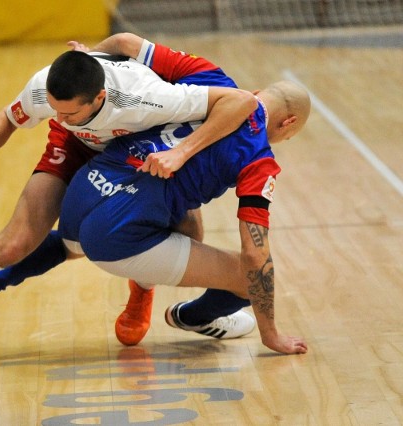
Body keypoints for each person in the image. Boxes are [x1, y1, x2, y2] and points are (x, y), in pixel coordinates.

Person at [0, 35, 257, 368]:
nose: (57, 117)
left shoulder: (148, 96)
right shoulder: (49, 89)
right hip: (78, 149)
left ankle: (142, 294)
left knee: (185, 226)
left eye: (69, 112)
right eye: (54, 110)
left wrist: (182, 153)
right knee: (14, 242)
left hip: (134, 150)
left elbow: (240, 101)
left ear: (100, 98)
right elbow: (10, 117)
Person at [58, 79, 311, 354]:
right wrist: (271, 333)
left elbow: (128, 45)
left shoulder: (212, 84)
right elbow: (254, 255)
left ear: (258, 92)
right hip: (121, 234)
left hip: (90, 185)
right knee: (252, 277)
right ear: (288, 123)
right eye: (288, 136)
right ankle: (191, 317)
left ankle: (142, 289)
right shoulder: (259, 159)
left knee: (191, 227)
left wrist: (85, 55)